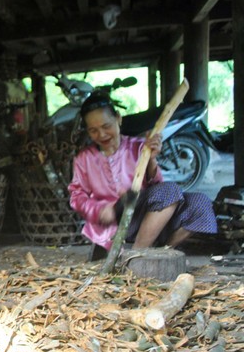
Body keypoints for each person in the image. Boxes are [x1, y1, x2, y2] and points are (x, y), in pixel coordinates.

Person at [68, 91, 217, 255]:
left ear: (118, 118)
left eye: (106, 126)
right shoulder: (84, 159)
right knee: (167, 192)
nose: (101, 134)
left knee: (200, 203)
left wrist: (151, 159)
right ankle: (137, 255)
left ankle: (159, 253)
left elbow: (158, 190)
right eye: (93, 130)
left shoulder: (139, 146)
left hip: (147, 218)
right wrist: (98, 209)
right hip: (113, 224)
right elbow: (77, 197)